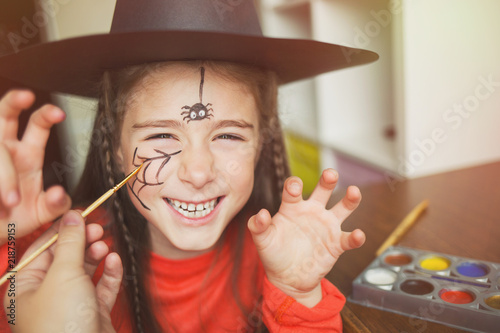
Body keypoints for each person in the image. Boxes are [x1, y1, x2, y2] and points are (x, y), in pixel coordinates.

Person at [0, 1, 377, 332]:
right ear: (114, 146)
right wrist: (11, 240)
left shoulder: (281, 255)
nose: (198, 173)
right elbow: (13, 305)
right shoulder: (66, 258)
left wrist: (298, 295)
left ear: (261, 142)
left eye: (228, 136)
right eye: (161, 136)